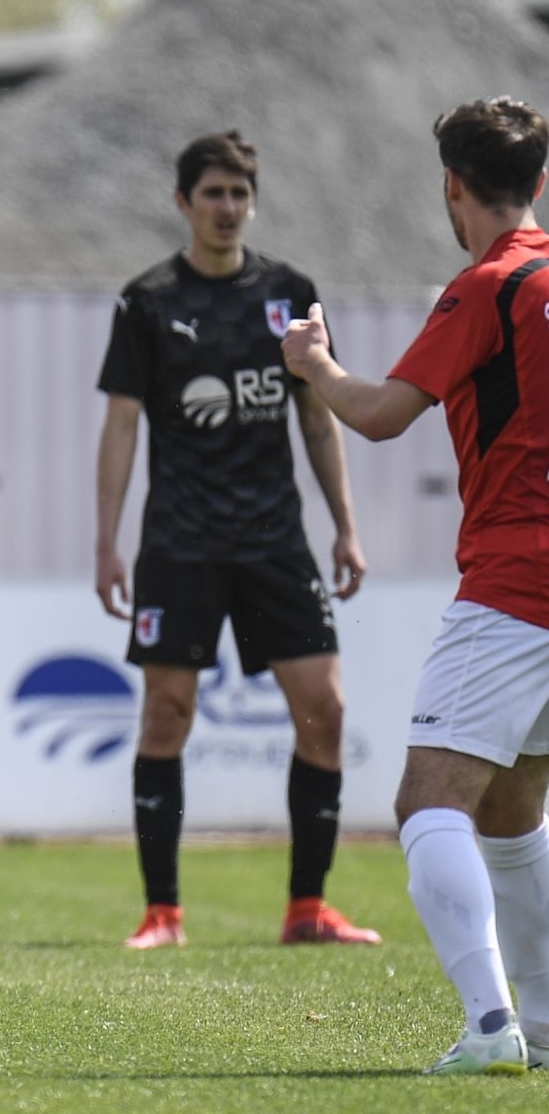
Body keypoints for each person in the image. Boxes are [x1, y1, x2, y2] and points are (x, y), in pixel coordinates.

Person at [282, 96, 549, 1076]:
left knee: (429, 800)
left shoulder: (488, 285)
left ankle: (490, 1024)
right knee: (512, 808)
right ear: (540, 180)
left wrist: (315, 366)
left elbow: (384, 413)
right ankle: (543, 1028)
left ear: (451, 186)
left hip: (517, 579)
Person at [95, 130, 380, 951]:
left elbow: (317, 419)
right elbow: (121, 427)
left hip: (274, 542)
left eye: (239, 194)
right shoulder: (147, 302)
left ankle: (308, 908)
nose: (227, 208)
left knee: (324, 711)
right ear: (183, 203)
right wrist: (106, 543)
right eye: (213, 194)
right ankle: (162, 913)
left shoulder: (290, 294)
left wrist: (346, 527)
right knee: (166, 715)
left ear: (253, 203)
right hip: (180, 542)